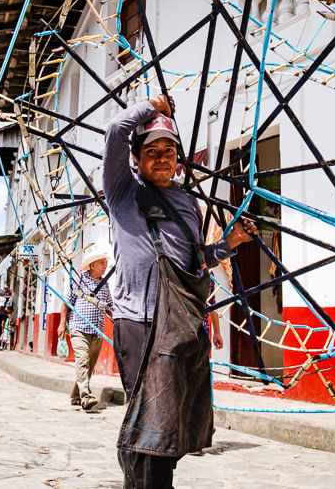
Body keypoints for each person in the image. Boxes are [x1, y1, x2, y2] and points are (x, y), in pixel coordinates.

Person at [103, 95, 257, 488]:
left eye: (168, 151)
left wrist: (230, 243)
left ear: (178, 157)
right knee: (151, 418)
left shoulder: (188, 203)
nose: (161, 159)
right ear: (136, 158)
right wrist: (152, 106)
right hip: (138, 320)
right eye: (151, 151)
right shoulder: (123, 191)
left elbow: (194, 260)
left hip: (181, 323)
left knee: (170, 420)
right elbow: (116, 131)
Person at [57, 248, 113, 411]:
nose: (105, 267)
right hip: (79, 328)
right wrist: (62, 323)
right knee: (82, 360)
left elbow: (109, 306)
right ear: (93, 265)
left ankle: (75, 396)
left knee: (88, 365)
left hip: (97, 331)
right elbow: (66, 303)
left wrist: (117, 319)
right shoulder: (79, 281)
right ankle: (86, 397)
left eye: (106, 264)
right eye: (102, 263)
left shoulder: (104, 283)